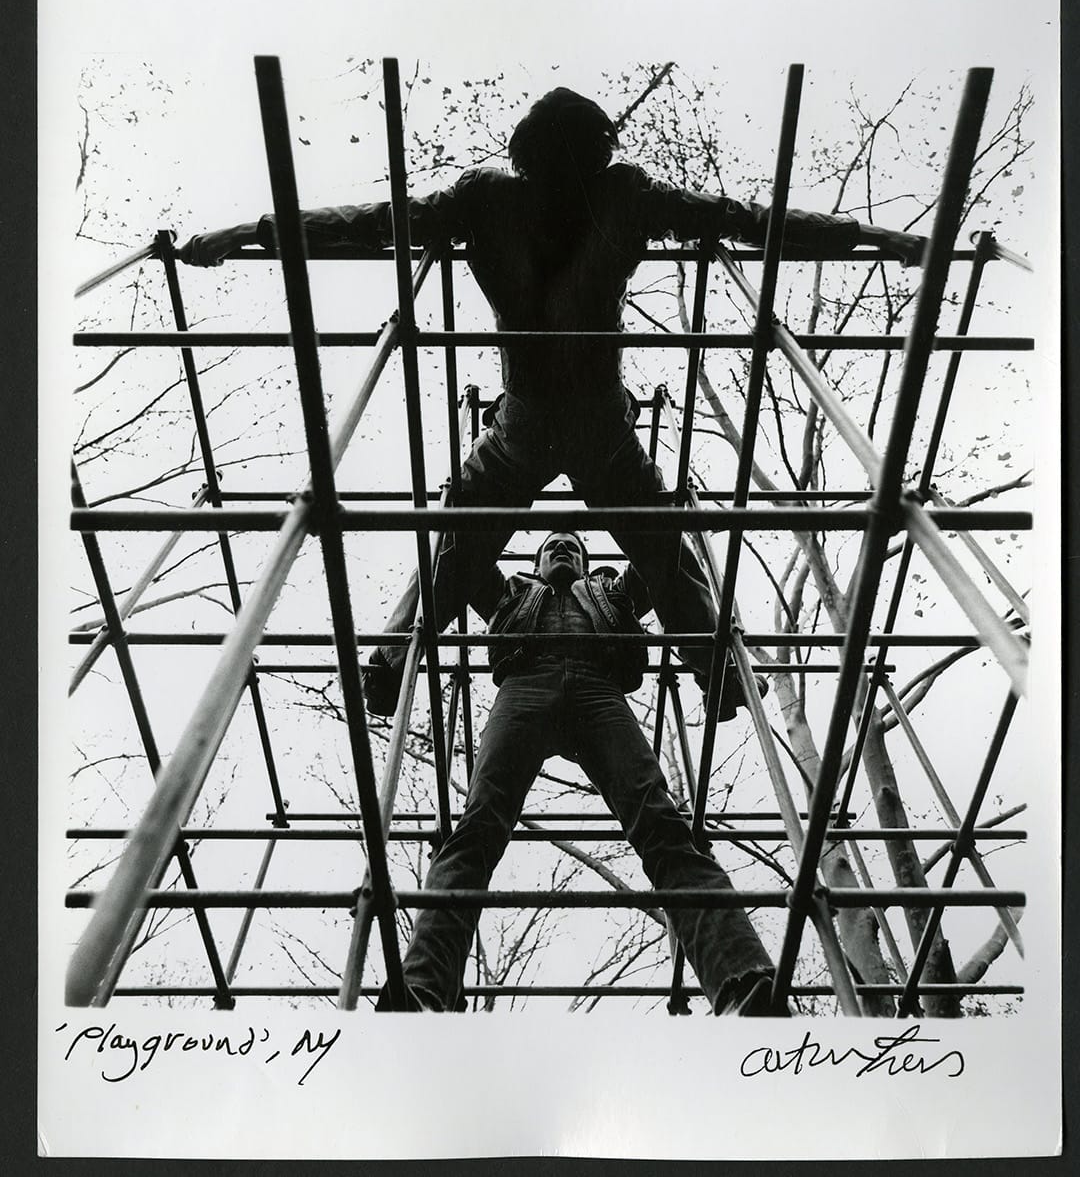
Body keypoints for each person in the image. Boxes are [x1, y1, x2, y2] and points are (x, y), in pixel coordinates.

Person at [178, 87, 926, 716]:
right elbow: (742, 220)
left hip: (531, 416)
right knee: (656, 545)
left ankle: (391, 659)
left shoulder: (491, 199)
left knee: (461, 545)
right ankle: (717, 666)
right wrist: (870, 236)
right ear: (596, 149)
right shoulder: (617, 193)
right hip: (588, 417)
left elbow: (372, 223)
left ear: (525, 153)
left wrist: (250, 233)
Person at [372, 530, 787, 1014]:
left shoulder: (612, 590)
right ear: (536, 565)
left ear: (588, 565)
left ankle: (743, 983)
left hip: (599, 688)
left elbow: (659, 554)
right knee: (477, 827)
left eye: (573, 545)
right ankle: (421, 990)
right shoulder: (512, 591)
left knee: (661, 823)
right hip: (524, 684)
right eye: (551, 545)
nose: (562, 548)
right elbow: (460, 551)